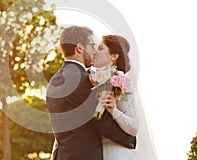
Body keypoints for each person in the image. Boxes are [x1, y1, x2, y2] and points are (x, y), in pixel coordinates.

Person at [46, 26, 136, 160]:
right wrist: (130, 140)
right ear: (80, 48)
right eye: (92, 45)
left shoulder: (53, 82)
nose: (94, 51)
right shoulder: (83, 80)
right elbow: (102, 123)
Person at [94, 35, 157, 160]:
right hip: (96, 151)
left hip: (116, 152)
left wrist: (113, 110)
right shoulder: (92, 78)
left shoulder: (121, 82)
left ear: (114, 56)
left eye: (100, 48)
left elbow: (134, 127)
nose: (95, 52)